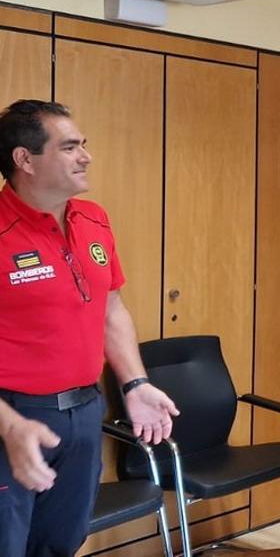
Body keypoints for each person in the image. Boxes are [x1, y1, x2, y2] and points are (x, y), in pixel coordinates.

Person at [0, 99, 178, 556]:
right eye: (70, 146)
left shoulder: (93, 218)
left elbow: (110, 308)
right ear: (25, 160)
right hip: (13, 418)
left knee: (62, 543)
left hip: (82, 415)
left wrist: (135, 383)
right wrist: (9, 425)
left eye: (84, 145)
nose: (86, 156)